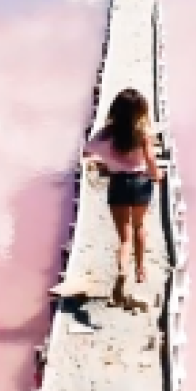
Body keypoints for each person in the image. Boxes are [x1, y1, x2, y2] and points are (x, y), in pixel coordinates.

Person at [83, 88, 162, 299]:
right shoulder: (144, 134)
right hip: (140, 183)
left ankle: (122, 270)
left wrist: (105, 163)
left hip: (118, 183)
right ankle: (141, 269)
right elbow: (151, 161)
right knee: (139, 226)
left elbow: (87, 151)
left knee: (124, 238)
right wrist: (158, 176)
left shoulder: (108, 133)